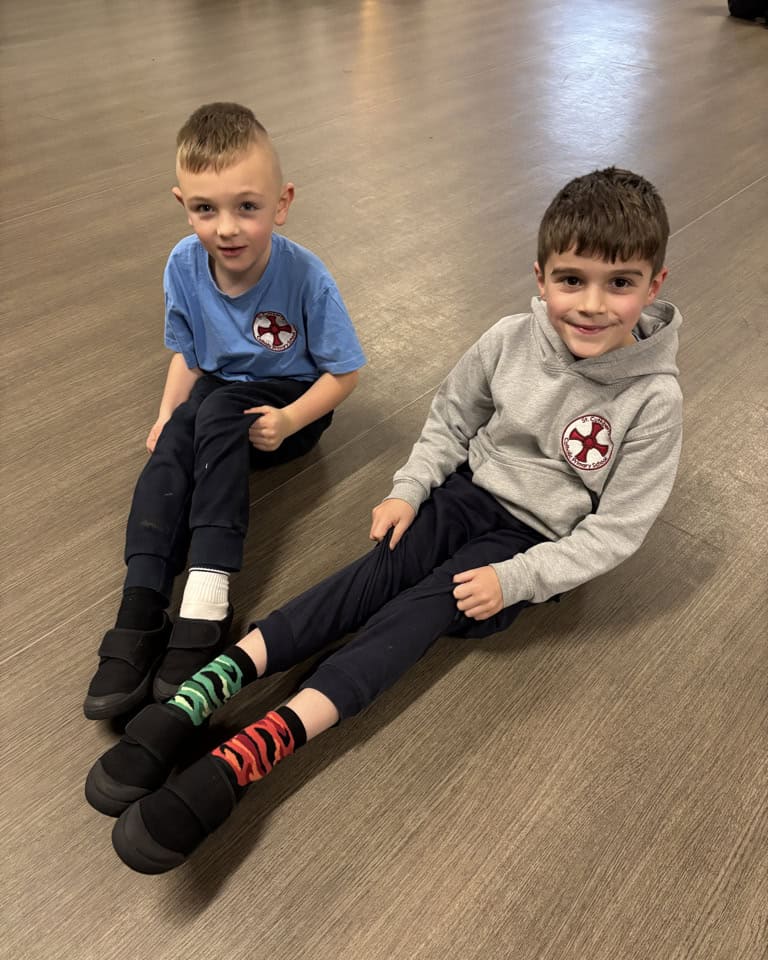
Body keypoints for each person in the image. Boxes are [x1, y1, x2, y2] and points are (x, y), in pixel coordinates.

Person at [85, 167, 683, 874]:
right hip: (465, 494)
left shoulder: (654, 400)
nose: (592, 305)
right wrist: (409, 489)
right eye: (571, 280)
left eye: (620, 283)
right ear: (541, 276)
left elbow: (617, 530)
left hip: (529, 544)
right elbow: (451, 419)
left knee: (412, 616)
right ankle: (198, 694)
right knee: (366, 579)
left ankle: (251, 753)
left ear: (654, 284)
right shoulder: (508, 338)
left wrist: (519, 579)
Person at [83, 102, 365, 721]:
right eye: (206, 209)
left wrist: (290, 421)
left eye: (247, 207)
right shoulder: (183, 265)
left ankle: (208, 596)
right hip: (220, 396)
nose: (227, 229)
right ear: (183, 204)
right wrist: (165, 415)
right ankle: (142, 600)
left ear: (282, 203)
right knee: (182, 428)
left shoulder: (306, 277)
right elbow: (188, 356)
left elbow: (344, 372)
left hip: (290, 402)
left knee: (213, 412)